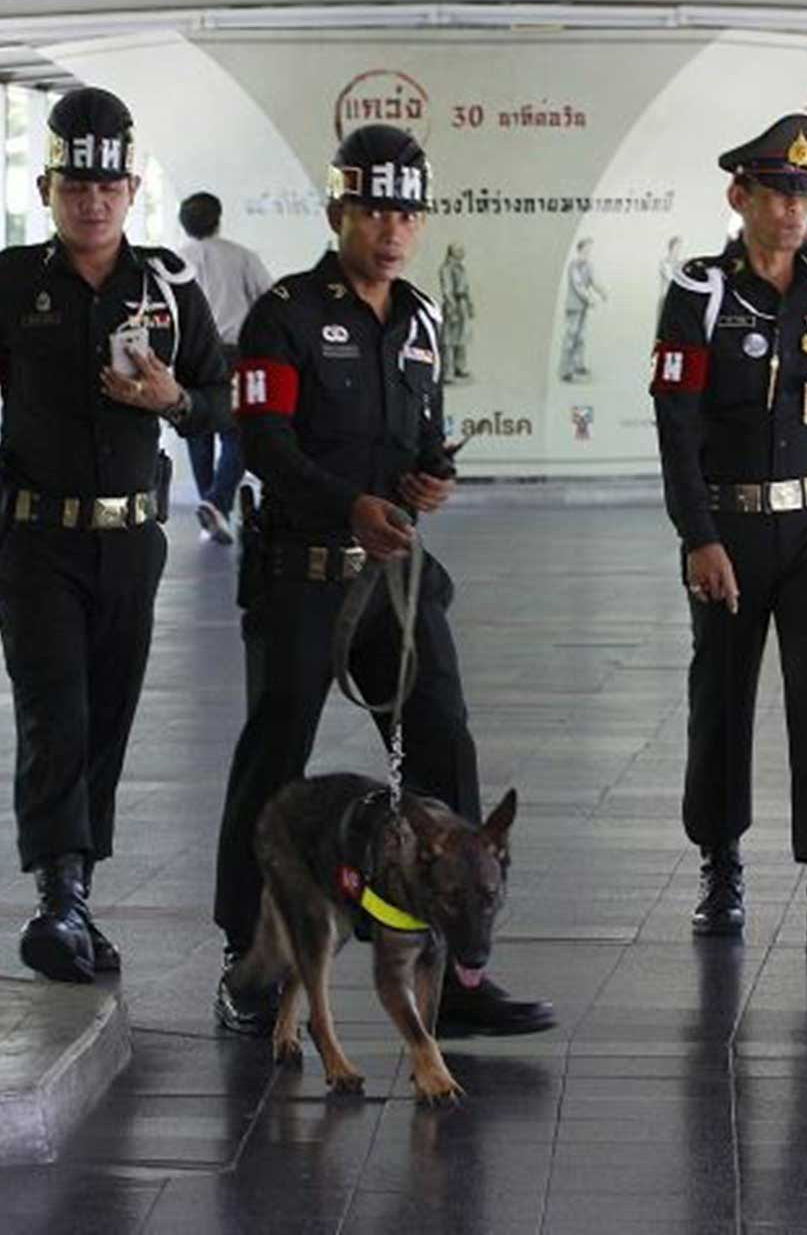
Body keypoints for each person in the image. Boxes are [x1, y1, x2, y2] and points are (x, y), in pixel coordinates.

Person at [211, 123, 554, 1037]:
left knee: (446, 748)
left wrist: (427, 476)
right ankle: (247, 966)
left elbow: (416, 440)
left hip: (394, 582)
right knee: (274, 769)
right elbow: (263, 445)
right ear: (338, 213)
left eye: (407, 211)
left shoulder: (421, 319)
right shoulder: (283, 314)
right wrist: (348, 503)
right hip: (302, 573)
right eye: (374, 210)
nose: (393, 228)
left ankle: (461, 978)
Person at [0, 87, 231, 984]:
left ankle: (78, 892)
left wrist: (173, 399)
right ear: (47, 189)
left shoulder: (168, 289)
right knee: (53, 709)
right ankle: (56, 894)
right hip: (35, 544)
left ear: (131, 189)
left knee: (107, 718)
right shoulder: (13, 284)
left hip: (131, 542)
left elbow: (223, 398)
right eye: (72, 187)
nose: (90, 202)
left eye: (106, 187)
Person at [648, 113, 807, 957]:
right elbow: (675, 427)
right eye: (776, 191)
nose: (792, 207)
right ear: (739, 196)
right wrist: (697, 536)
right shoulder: (701, 294)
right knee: (722, 698)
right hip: (732, 528)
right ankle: (720, 866)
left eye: (802, 190)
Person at [177, 191, 273, 545]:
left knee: (197, 431)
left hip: (191, 355)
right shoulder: (242, 257)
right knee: (238, 435)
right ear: (218, 218)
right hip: (235, 353)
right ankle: (217, 503)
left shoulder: (176, 260)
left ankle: (210, 508)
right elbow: (269, 300)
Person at [559, 237, 607, 381]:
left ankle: (578, 365)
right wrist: (590, 298)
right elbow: (578, 285)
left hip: (583, 308)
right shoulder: (573, 266)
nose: (589, 251)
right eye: (587, 248)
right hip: (573, 306)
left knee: (581, 338)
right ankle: (565, 370)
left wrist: (602, 291)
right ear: (580, 249)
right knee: (571, 336)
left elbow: (593, 281)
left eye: (590, 249)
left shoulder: (588, 265)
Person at [438, 242, 475, 381]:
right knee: (448, 340)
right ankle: (448, 371)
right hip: (453, 305)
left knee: (462, 338)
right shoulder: (446, 269)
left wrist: (469, 305)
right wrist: (451, 308)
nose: (462, 254)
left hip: (462, 305)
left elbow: (466, 288)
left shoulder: (461, 268)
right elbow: (447, 291)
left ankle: (461, 367)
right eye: (459, 252)